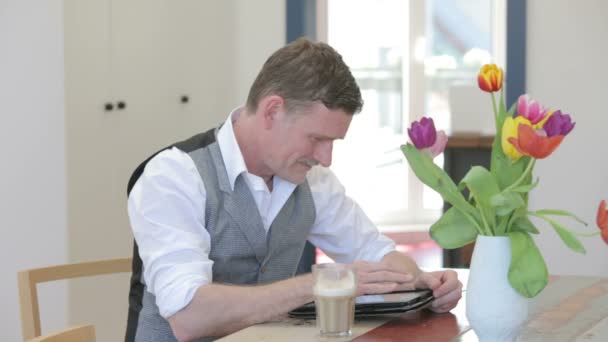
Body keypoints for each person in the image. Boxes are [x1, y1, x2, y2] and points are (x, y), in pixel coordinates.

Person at [125, 38, 462, 342]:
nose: (326, 159)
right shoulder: (172, 176)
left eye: (332, 142)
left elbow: (377, 253)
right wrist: (317, 285)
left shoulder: (312, 182)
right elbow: (189, 317)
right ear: (273, 110)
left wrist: (422, 283)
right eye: (317, 139)